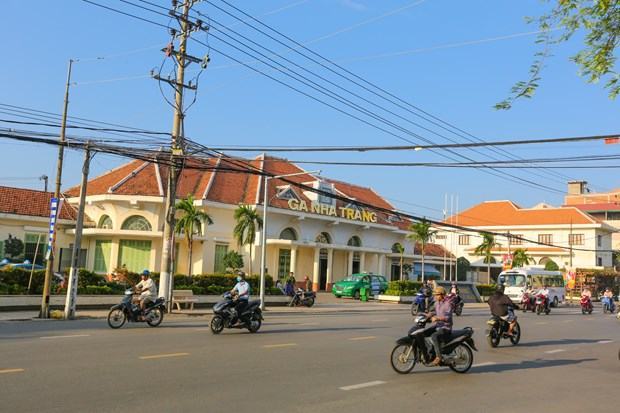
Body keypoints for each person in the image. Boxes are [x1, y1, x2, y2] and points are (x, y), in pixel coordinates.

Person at [427, 286, 455, 366]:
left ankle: (439, 357)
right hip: (438, 326)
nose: (435, 296)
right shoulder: (436, 303)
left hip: (446, 328)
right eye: (435, 295)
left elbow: (447, 318)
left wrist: (437, 318)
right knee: (424, 333)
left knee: (434, 336)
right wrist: (427, 315)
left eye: (437, 295)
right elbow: (434, 312)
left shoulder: (447, 304)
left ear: (442, 295)